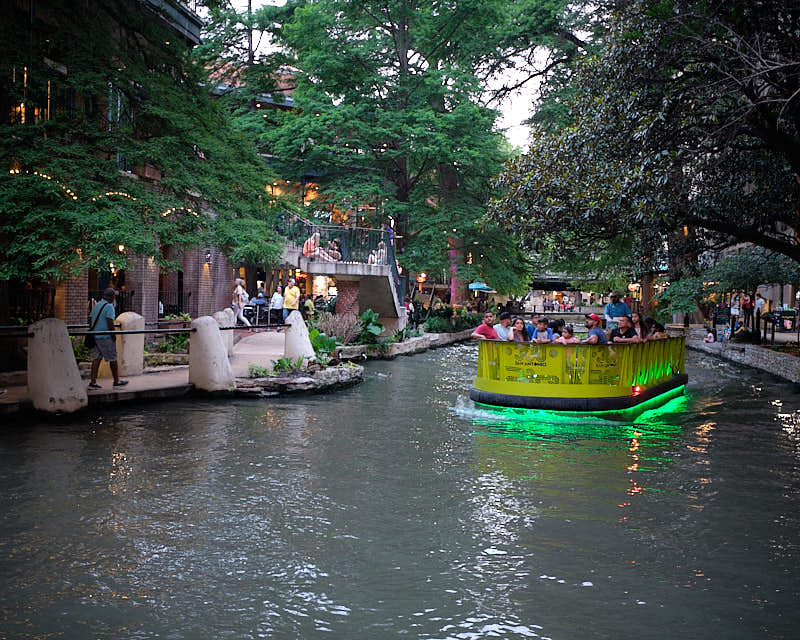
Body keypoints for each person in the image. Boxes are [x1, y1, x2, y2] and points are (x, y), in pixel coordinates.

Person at [87, 288, 128, 390]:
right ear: (112, 297)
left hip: (96, 336)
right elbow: (110, 322)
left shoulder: (96, 305)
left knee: (96, 359)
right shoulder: (109, 307)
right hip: (105, 336)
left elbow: (91, 320)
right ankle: (116, 381)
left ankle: (93, 382)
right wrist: (113, 335)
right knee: (113, 358)